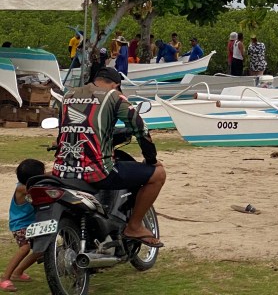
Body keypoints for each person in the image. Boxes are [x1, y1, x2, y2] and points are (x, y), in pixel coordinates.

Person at [52, 67, 166, 247]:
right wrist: (151, 159)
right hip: (97, 172)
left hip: (62, 171)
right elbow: (140, 128)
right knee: (158, 174)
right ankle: (134, 226)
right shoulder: (114, 96)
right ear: (115, 85)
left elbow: (63, 130)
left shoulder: (68, 95)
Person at [2, 159, 45, 291]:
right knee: (25, 248)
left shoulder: (27, 184)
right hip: (19, 225)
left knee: (42, 248)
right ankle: (4, 278)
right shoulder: (22, 188)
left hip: (31, 224)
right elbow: (40, 190)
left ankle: (18, 272)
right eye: (42, 174)